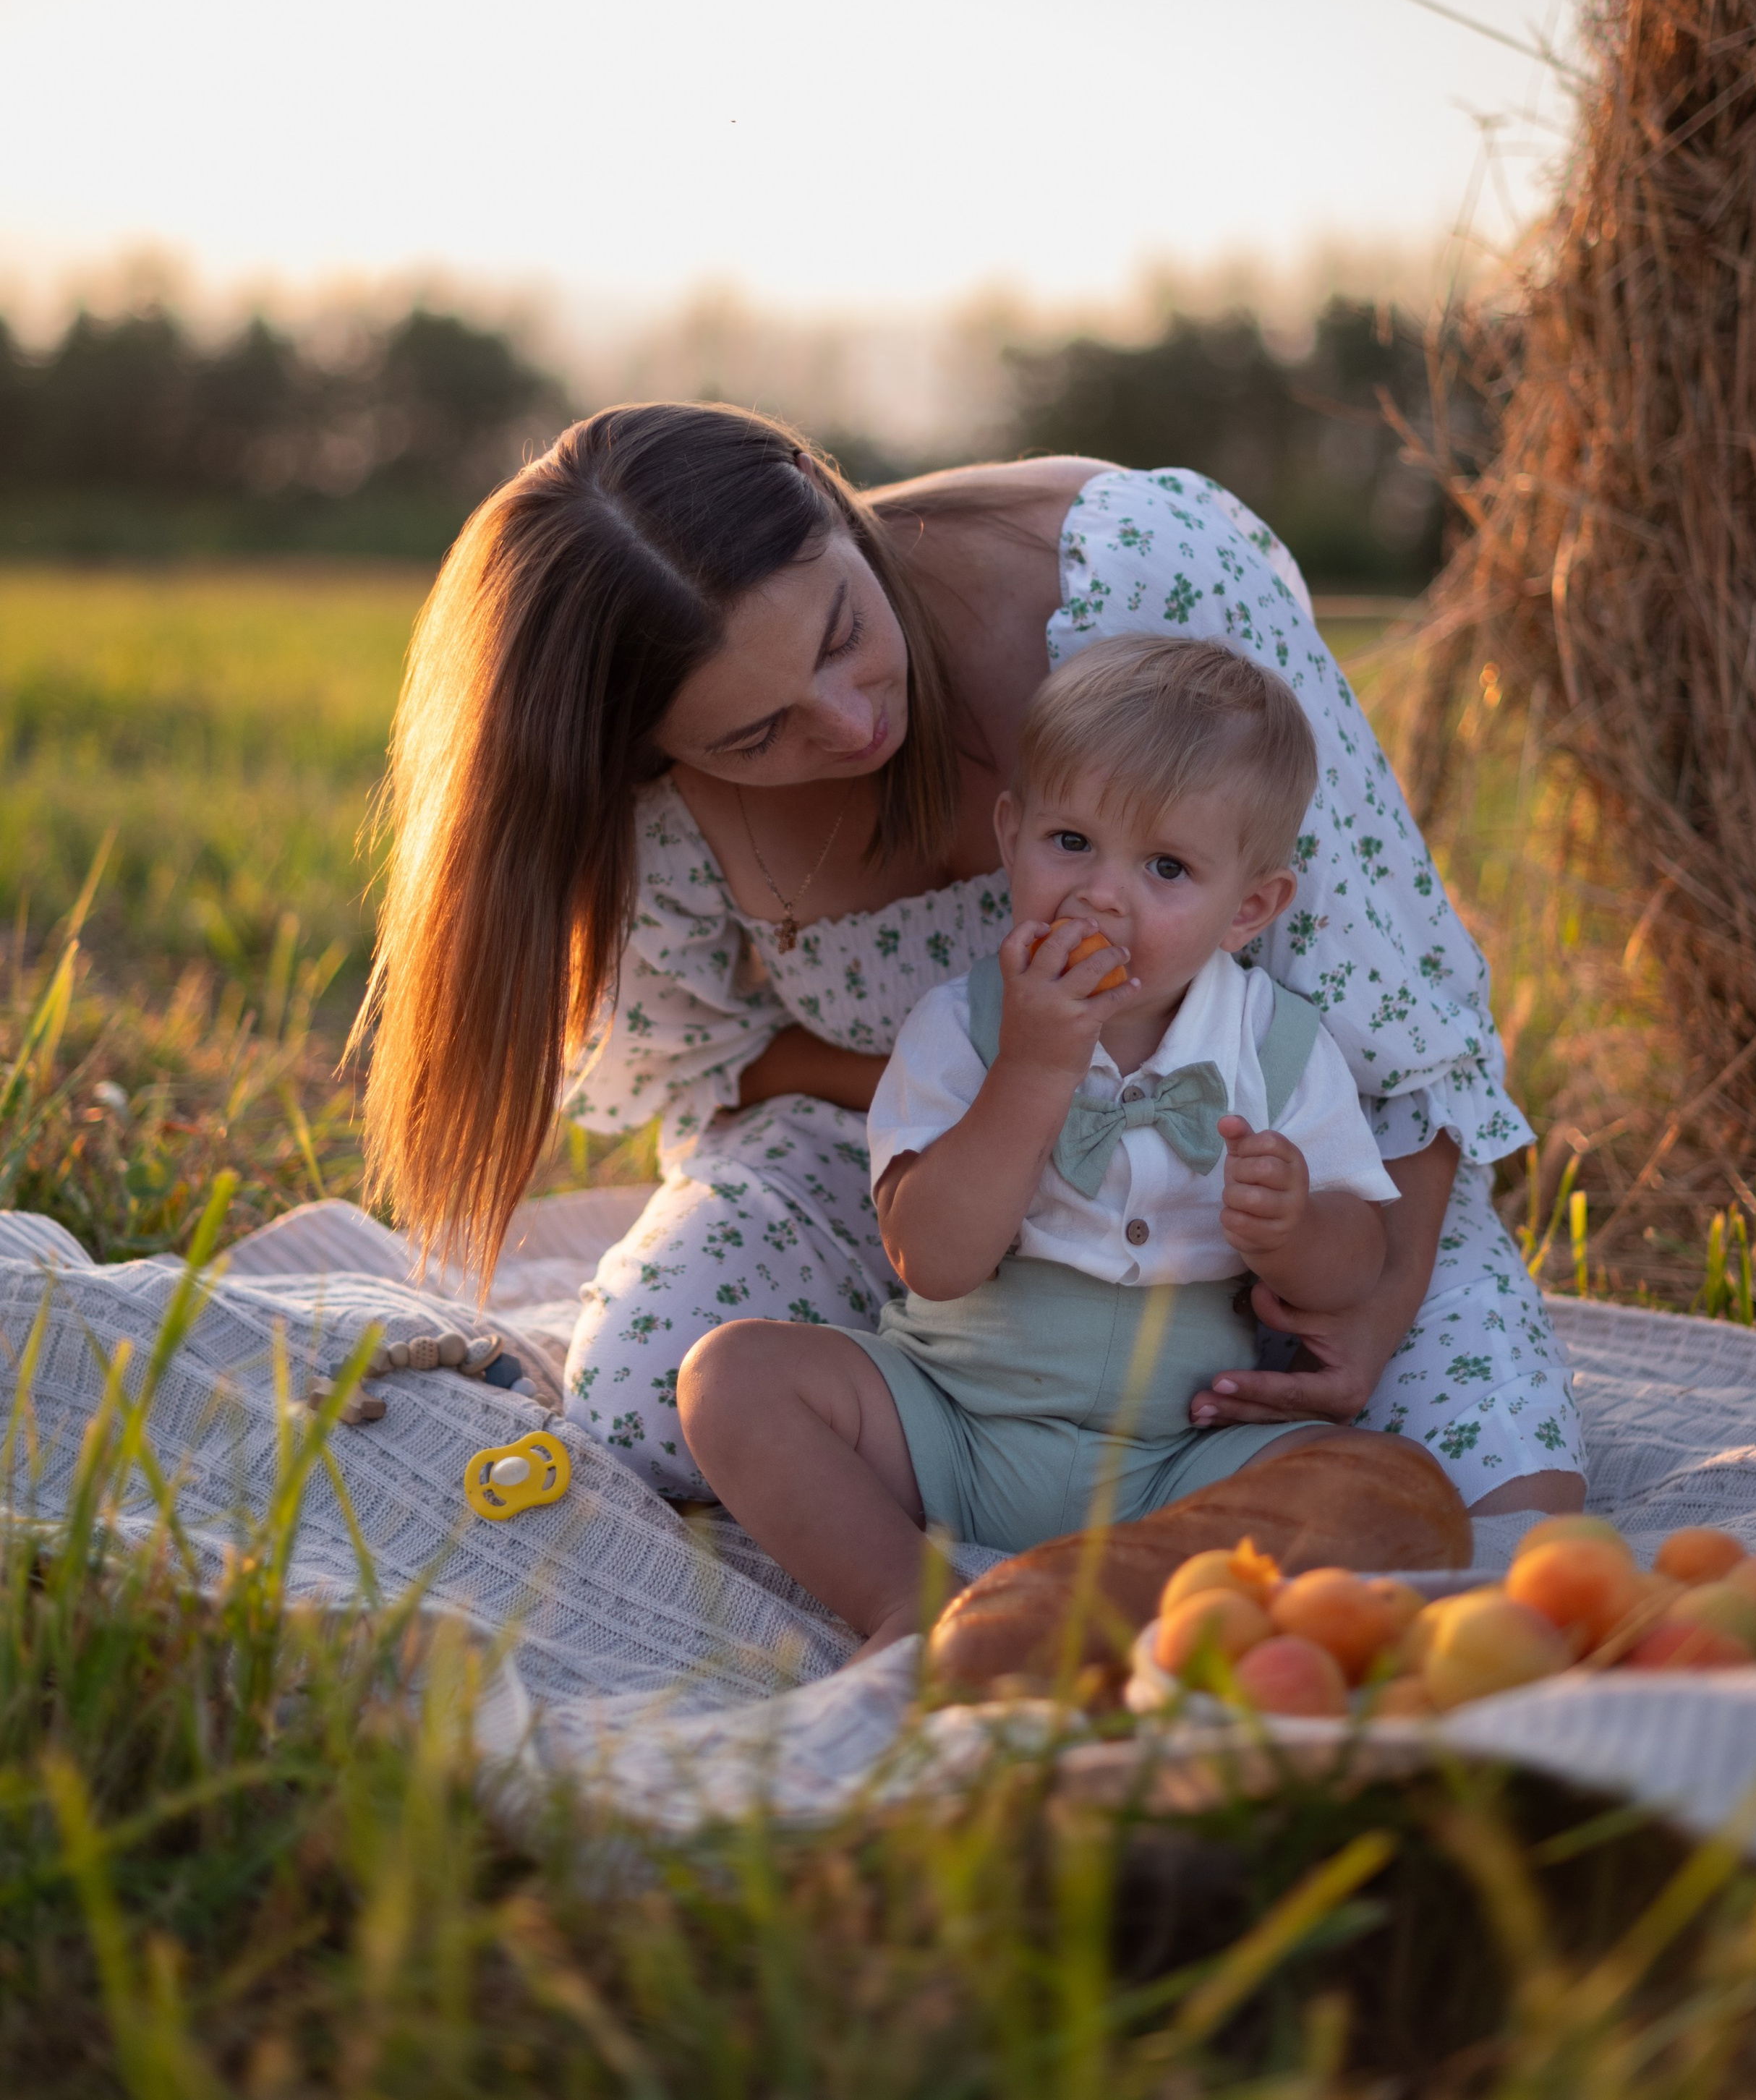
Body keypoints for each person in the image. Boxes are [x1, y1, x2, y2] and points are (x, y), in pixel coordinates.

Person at [359, 404, 1584, 1518]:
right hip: (913, 1176)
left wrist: (1368, 1298)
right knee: (647, 1397)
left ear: (828, 499)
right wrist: (1010, 1092)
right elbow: (723, 1070)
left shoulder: (1141, 579)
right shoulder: (654, 819)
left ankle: (1163, 1522)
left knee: (1490, 1491)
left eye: (842, 633)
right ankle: (949, 1531)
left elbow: (1401, 1017)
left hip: (1279, 1177)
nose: (850, 724)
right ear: (648, 760)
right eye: (754, 733)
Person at [677, 636, 1418, 1652]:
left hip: (1182, 1454)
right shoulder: (961, 1024)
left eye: (1166, 868)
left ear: (1248, 908)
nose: (1102, 894)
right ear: (1011, 835)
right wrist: (1032, 1068)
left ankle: (1127, 1594)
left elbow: (1352, 1272)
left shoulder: (1278, 1046)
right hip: (951, 1421)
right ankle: (906, 1601)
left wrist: (1294, 1226)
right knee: (731, 1379)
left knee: (1386, 1485)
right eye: (1071, 842)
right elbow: (932, 1261)